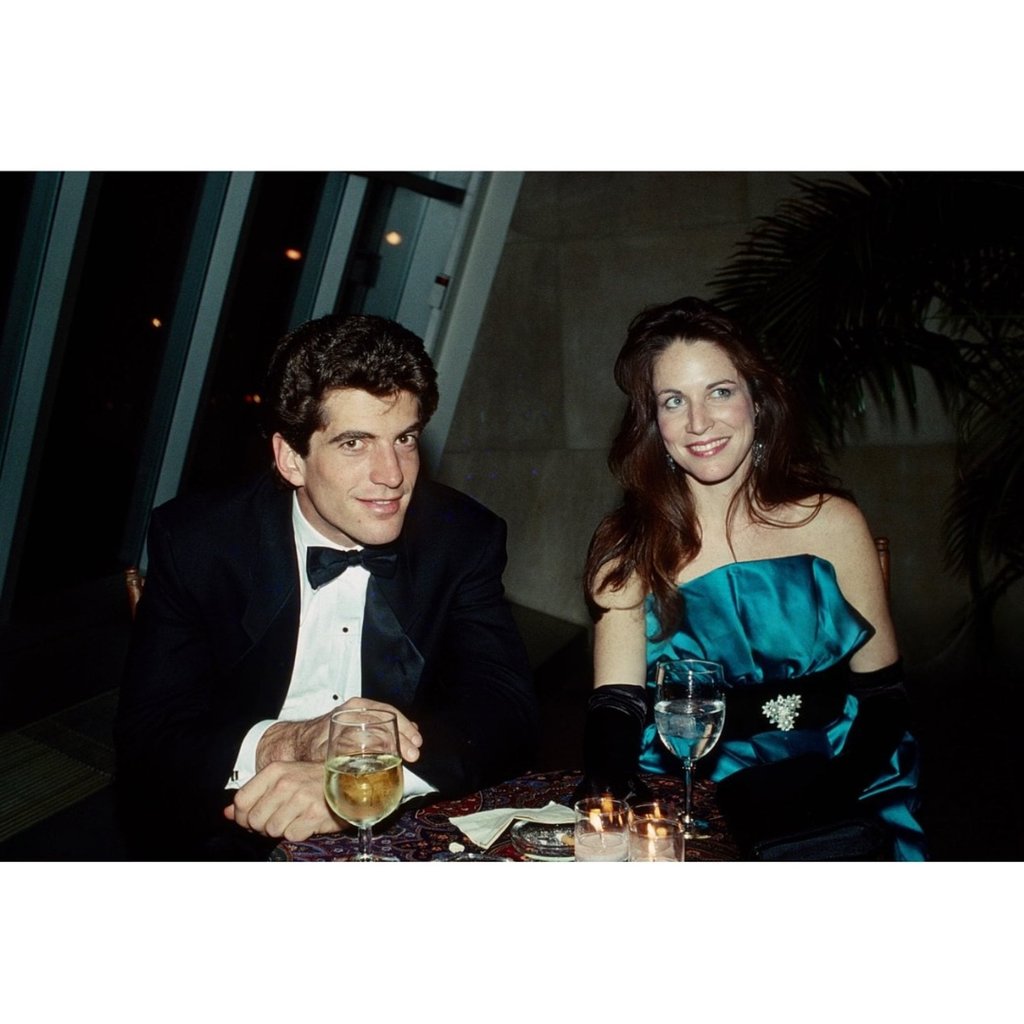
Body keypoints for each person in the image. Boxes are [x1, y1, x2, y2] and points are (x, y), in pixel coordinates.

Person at [115, 313, 538, 859]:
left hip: (397, 829)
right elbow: (150, 734)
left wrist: (361, 784)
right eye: (354, 443)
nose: (392, 474)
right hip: (230, 827)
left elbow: (507, 713)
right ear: (292, 458)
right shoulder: (201, 540)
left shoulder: (462, 539)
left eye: (404, 438)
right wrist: (284, 742)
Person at [580, 297, 926, 860]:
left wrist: (822, 797)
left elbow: (884, 696)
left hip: (842, 773)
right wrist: (612, 784)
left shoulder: (833, 523)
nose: (698, 423)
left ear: (757, 403)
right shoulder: (631, 544)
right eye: (674, 401)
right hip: (690, 784)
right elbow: (616, 705)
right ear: (654, 426)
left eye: (720, 391)